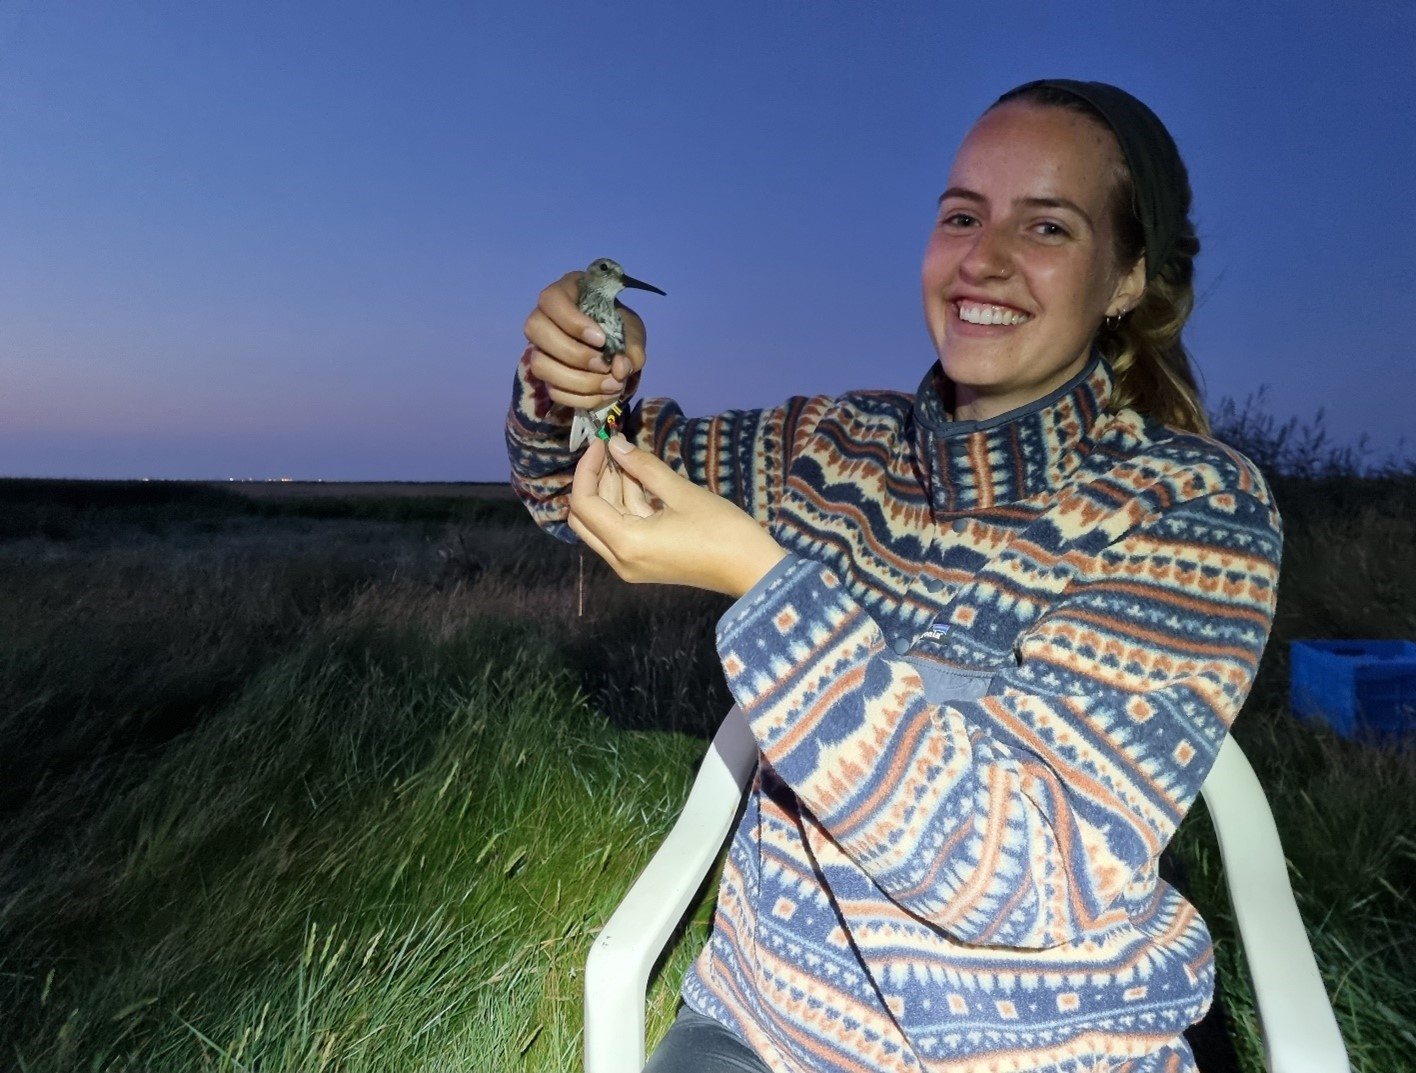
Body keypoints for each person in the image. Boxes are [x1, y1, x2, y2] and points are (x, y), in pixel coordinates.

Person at [508, 79, 1282, 1073]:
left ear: (1126, 278)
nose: (982, 258)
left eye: (1045, 227)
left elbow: (1022, 870)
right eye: (961, 214)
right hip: (766, 1029)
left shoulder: (1189, 506)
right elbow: (564, 484)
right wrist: (577, 387)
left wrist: (765, 580)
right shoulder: (832, 447)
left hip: (1052, 1048)